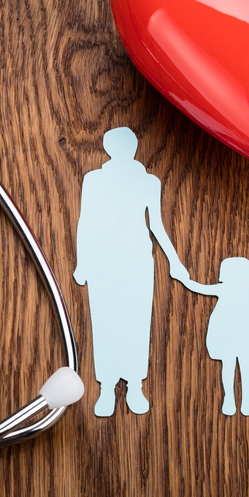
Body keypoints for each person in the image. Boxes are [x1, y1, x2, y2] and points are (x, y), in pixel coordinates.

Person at [73, 127, 189, 416]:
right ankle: (107, 389)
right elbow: (86, 221)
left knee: (137, 321)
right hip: (104, 259)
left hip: (137, 259)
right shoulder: (94, 180)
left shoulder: (149, 182)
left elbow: (157, 226)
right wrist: (82, 262)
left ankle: (135, 385)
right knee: (105, 320)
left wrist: (175, 261)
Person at [180, 258, 249, 416]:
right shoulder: (228, 288)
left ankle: (244, 399)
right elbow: (198, 288)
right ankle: (231, 398)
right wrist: (183, 279)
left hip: (242, 331)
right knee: (235, 364)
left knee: (238, 364)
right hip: (229, 331)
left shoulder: (242, 287)